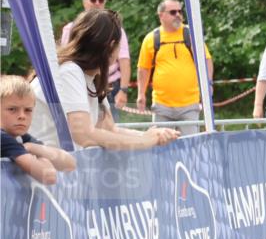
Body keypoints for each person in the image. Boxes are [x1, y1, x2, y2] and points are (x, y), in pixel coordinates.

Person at [30, 9, 180, 150]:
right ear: (112, 46)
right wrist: (144, 141)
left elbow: (108, 129)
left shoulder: (89, 77)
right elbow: (83, 134)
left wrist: (153, 135)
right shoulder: (70, 72)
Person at [136, 0, 213, 135]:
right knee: (162, 148)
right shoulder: (152, 38)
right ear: (161, 15)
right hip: (161, 105)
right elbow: (144, 68)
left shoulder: (191, 34)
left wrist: (208, 83)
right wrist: (141, 94)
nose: (178, 15)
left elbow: (206, 60)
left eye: (180, 11)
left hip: (190, 104)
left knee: (191, 147)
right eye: (173, 12)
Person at [60, 0, 131, 120]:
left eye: (101, 0)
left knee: (110, 123)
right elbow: (66, 57)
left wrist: (123, 90)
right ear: (84, 1)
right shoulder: (71, 29)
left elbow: (124, 60)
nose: (97, 4)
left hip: (108, 84)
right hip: (79, 81)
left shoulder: (116, 30)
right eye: (93, 0)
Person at [1, 75, 76, 184]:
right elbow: (48, 176)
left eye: (28, 110)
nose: (22, 116)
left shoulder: (22, 138)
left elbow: (70, 164)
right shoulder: (3, 138)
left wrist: (31, 147)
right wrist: (40, 155)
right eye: (12, 109)